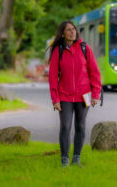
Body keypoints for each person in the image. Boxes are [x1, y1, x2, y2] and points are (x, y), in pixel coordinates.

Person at [47, 21, 101, 167]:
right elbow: (52, 77)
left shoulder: (85, 48)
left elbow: (94, 72)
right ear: (62, 34)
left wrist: (96, 94)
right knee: (65, 126)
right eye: (68, 30)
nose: (72, 32)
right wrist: (55, 99)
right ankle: (64, 159)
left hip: (85, 95)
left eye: (73, 29)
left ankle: (76, 158)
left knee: (81, 126)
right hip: (64, 96)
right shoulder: (58, 51)